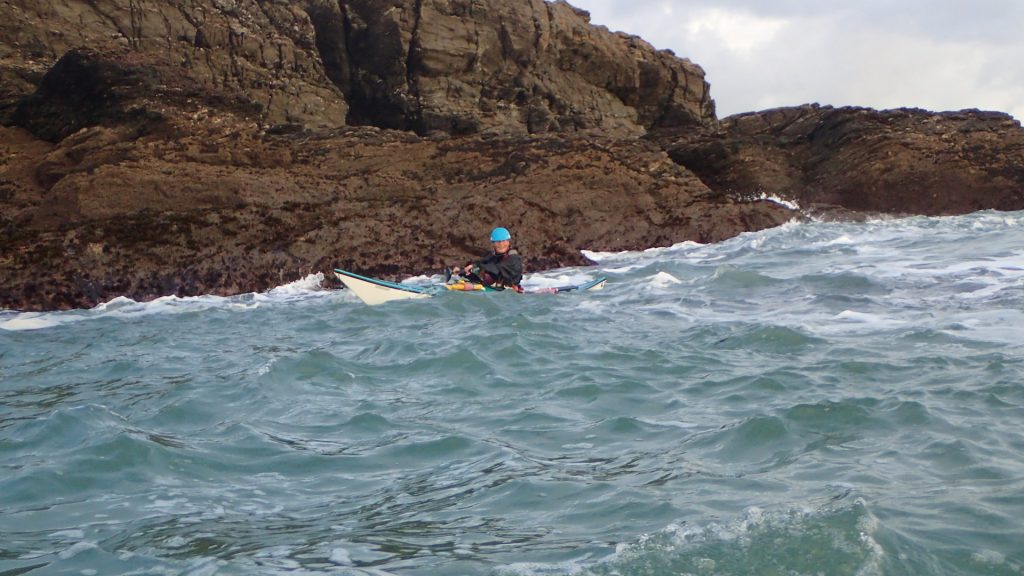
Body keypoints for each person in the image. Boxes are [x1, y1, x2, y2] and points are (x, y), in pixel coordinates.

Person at [452, 227, 523, 291]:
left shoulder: (514, 258)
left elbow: (496, 269)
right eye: (498, 242)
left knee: (483, 270)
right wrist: (462, 270)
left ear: (508, 242)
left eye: (504, 241)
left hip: (510, 293)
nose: (501, 244)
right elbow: (479, 263)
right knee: (473, 272)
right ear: (493, 243)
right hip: (495, 288)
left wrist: (477, 267)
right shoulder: (493, 255)